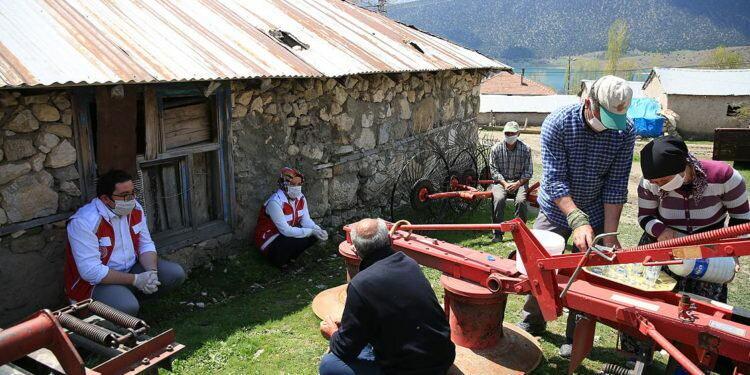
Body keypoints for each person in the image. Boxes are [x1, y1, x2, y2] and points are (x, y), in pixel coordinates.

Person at [518, 75, 636, 358]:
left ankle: (573, 336)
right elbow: (555, 179)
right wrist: (575, 218)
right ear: (589, 103)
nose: (609, 125)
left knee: (586, 274)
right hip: (556, 208)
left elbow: (616, 183)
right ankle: (533, 318)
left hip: (595, 208)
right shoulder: (558, 123)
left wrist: (609, 235)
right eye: (605, 116)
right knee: (542, 265)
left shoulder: (625, 131)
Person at [318, 219, 455, 375]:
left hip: (411, 369)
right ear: (389, 240)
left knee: (329, 365)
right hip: (443, 358)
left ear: (356, 251)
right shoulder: (409, 263)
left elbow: (345, 349)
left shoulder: (360, 285)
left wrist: (333, 334)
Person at [638, 135, 748, 299]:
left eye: (664, 180)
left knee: (701, 307)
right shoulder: (649, 183)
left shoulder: (725, 177)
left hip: (708, 246)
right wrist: (660, 230)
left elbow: (742, 219)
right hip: (665, 243)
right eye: (655, 182)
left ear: (684, 167)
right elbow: (645, 216)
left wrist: (732, 251)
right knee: (657, 300)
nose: (659, 185)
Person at [64, 170, 186, 316]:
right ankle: (99, 311)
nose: (130, 199)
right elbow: (91, 272)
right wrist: (136, 280)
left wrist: (151, 273)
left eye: (132, 193)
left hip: (130, 271)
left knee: (174, 274)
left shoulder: (135, 208)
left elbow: (145, 244)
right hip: (95, 284)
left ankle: (130, 298)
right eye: (124, 195)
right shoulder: (83, 222)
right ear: (105, 199)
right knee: (127, 306)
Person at [254, 167, 328, 267]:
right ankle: (278, 262)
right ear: (285, 184)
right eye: (293, 184)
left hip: (283, 235)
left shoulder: (300, 198)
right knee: (295, 238)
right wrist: (310, 231)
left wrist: (317, 230)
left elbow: (306, 220)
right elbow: (286, 230)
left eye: (299, 184)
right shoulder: (275, 202)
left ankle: (291, 259)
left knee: (313, 236)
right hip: (269, 240)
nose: (296, 187)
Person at [489, 121, 533, 242]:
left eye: (512, 133)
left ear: (518, 133)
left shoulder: (526, 149)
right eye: (507, 133)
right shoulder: (496, 149)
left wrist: (518, 183)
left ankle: (520, 233)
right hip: (501, 182)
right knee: (498, 199)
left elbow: (528, 172)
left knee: (521, 201)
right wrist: (505, 183)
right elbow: (493, 170)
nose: (509, 135)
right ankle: (497, 233)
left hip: (520, 181)